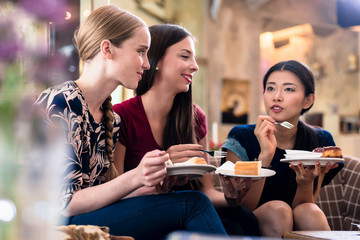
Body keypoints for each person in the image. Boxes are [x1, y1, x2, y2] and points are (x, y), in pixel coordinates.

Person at [34, 5, 227, 240]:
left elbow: (101, 193)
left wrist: (153, 185)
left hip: (89, 215)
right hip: (58, 224)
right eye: (141, 51)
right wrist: (136, 176)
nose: (146, 64)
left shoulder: (111, 119)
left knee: (197, 205)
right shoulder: (62, 102)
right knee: (193, 204)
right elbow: (64, 203)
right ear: (107, 49)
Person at [113, 24, 259, 236]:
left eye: (194, 58)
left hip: (189, 210)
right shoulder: (121, 116)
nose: (195, 66)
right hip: (141, 213)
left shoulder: (195, 117)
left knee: (243, 217)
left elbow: (206, 191)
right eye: (185, 56)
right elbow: (115, 192)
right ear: (156, 60)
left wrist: (231, 197)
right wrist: (160, 170)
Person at [220, 60, 344, 237]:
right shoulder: (241, 137)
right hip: (249, 221)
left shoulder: (320, 140)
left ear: (308, 100)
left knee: (310, 211)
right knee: (279, 210)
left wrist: (305, 182)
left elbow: (303, 206)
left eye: (288, 89)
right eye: (270, 88)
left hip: (294, 216)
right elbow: (242, 206)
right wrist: (265, 156)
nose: (276, 96)